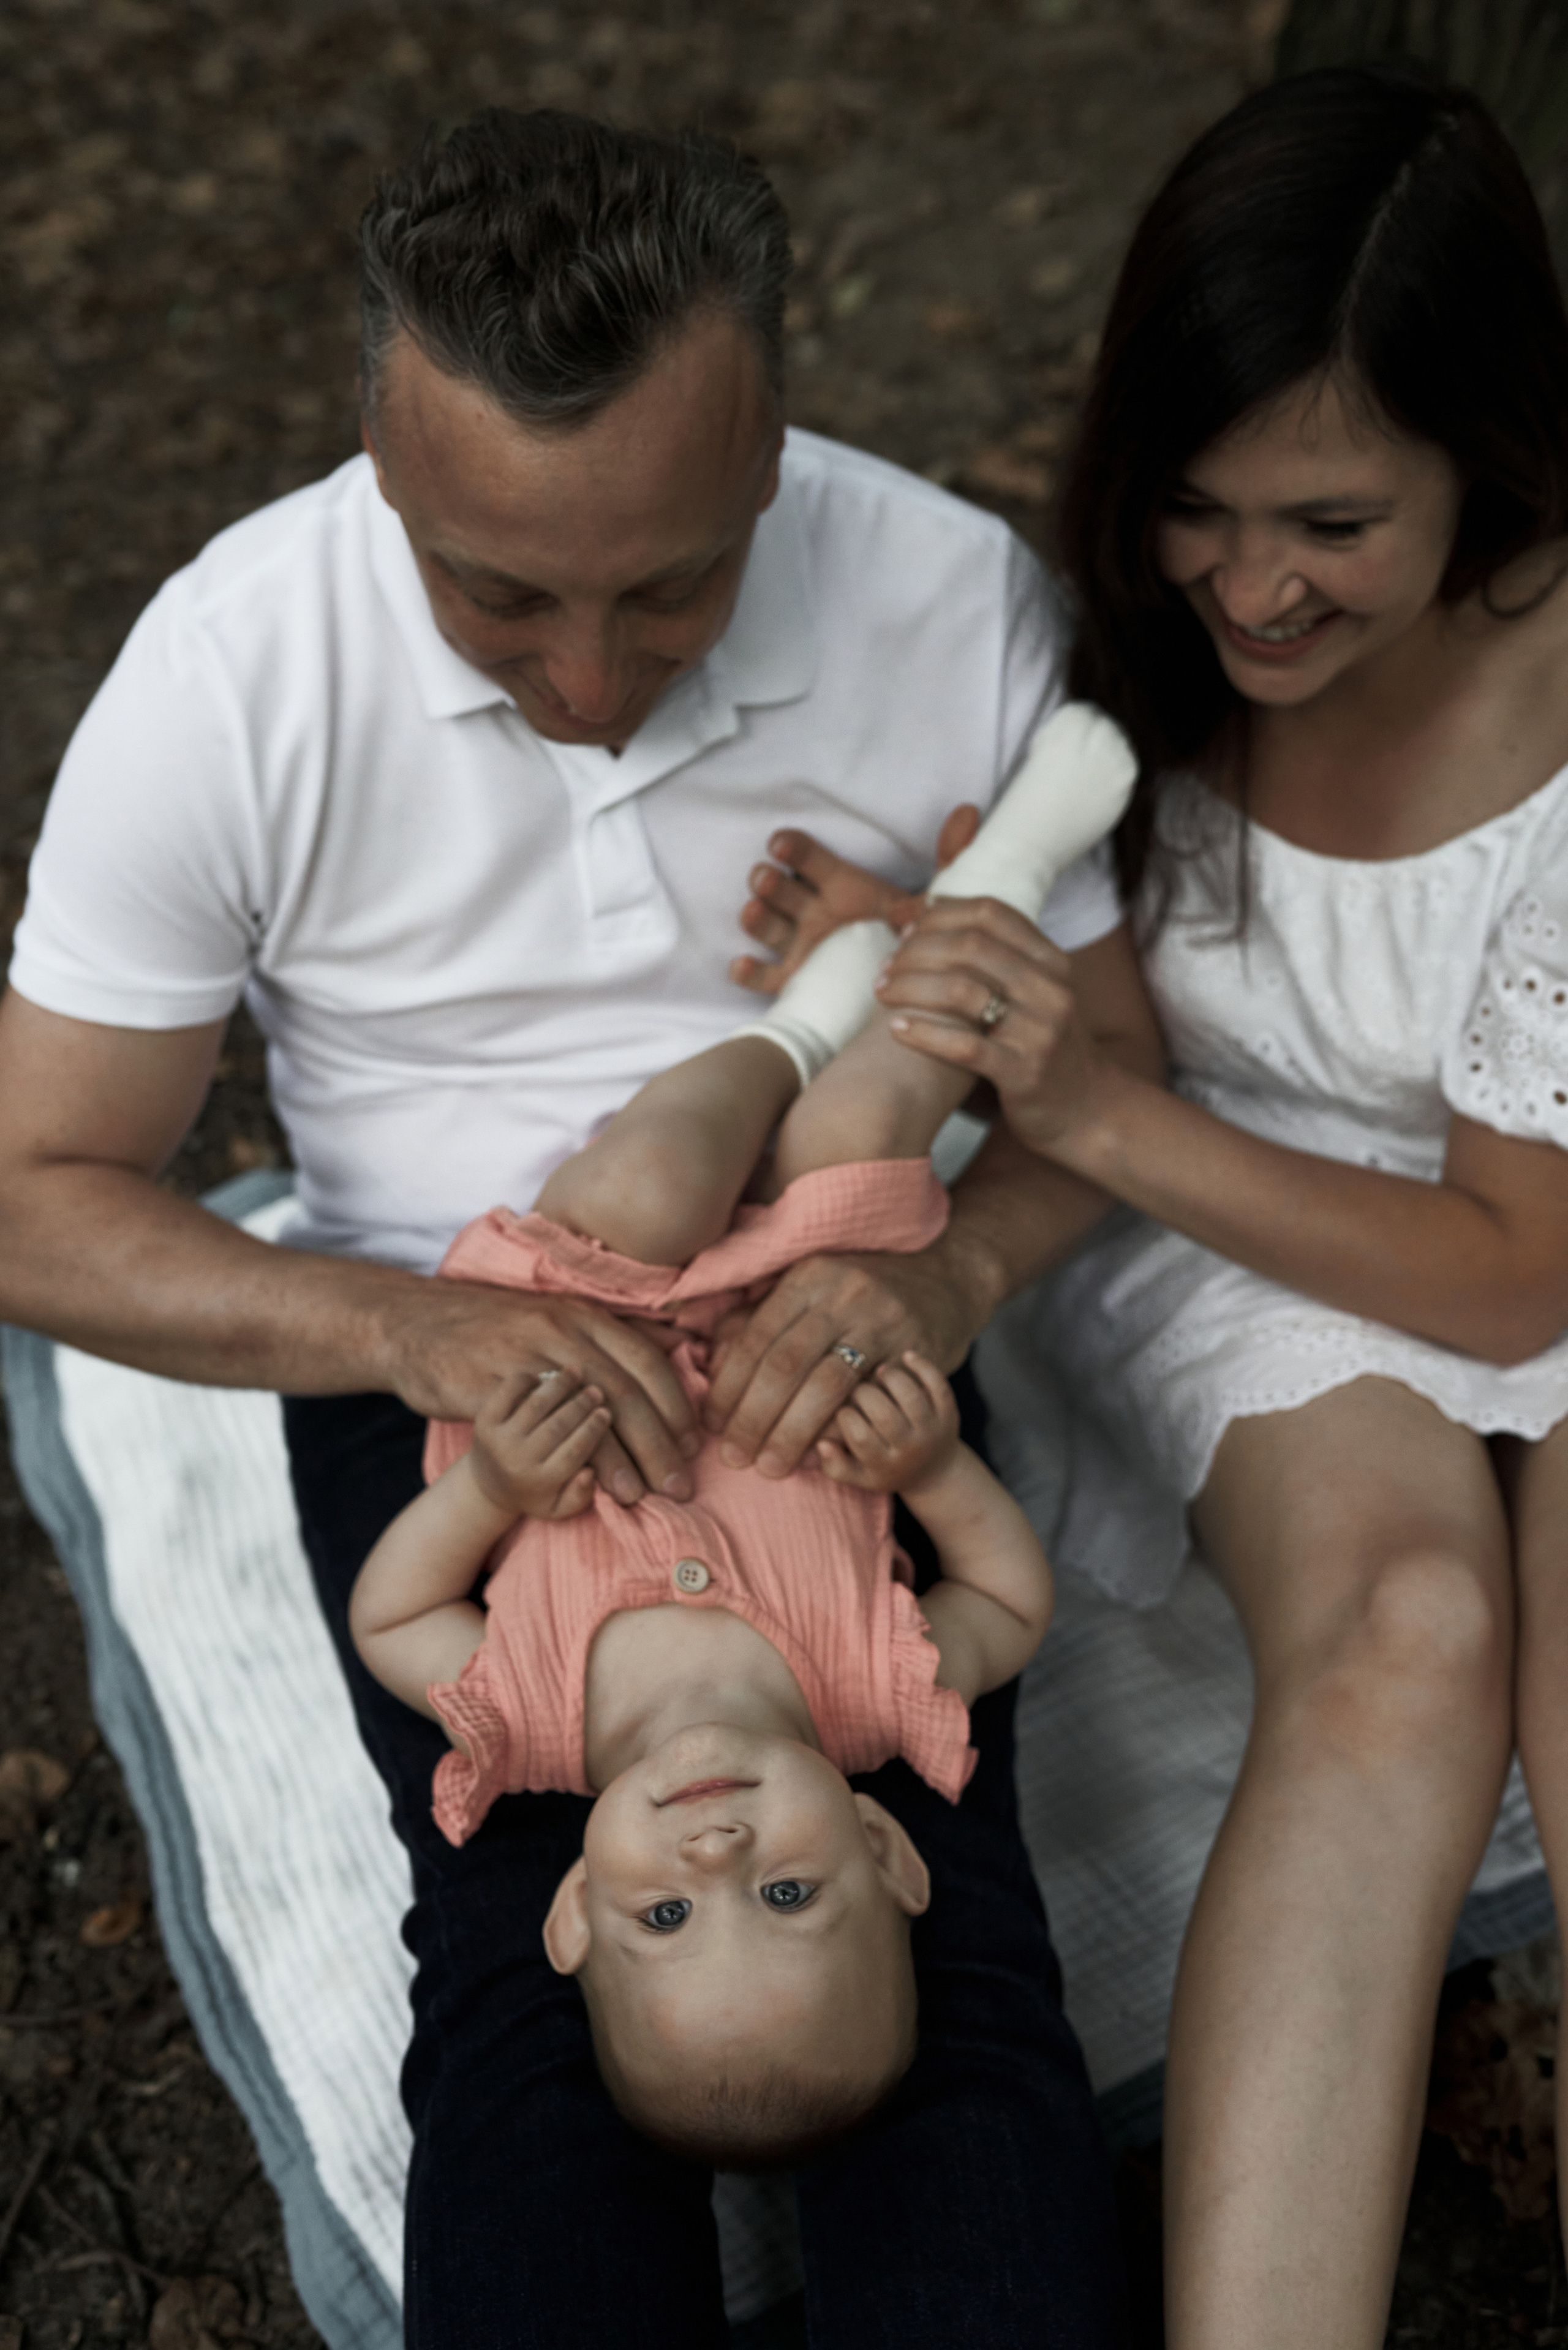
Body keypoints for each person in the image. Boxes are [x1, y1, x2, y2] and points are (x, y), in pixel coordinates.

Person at [0, 108, 1147, 2344]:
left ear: (776, 449)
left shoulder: (949, 595)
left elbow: (1112, 1084)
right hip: (455, 1325)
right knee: (521, 1956)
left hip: (836, 1280)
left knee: (953, 1929)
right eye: (501, 594)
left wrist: (947, 1273)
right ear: (381, 466)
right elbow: (35, 1197)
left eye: (674, 586)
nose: (597, 683)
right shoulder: (233, 664)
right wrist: (403, 1336)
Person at [790, 60, 1568, 2350]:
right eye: (1197, 508)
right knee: (1412, 1623)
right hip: (1219, 1223)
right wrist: (934, 959)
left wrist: (1087, 1102)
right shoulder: (1127, 642)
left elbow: (1517, 1273)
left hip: (1516, 1226)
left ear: (1492, 465)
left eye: (1331, 520)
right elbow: (1087, 988)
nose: (1249, 582)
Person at [347, 709, 1131, 2171]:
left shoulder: (524, 1720)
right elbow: (1009, 1600)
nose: (716, 1855)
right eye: (788, 1894)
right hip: (809, 1298)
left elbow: (389, 1610)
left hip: (592, 1301)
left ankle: (791, 1028)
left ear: (571, 1910)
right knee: (869, 1127)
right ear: (885, 1850)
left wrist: (498, 1486)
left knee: (647, 1177)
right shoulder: (878, 1694)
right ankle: (1006, 871)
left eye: (664, 1914)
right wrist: (930, 1471)